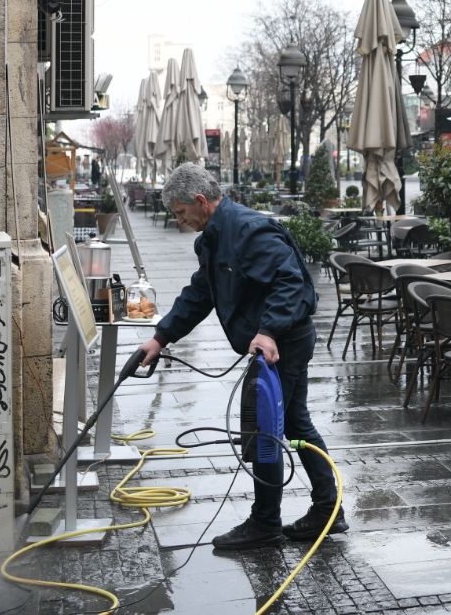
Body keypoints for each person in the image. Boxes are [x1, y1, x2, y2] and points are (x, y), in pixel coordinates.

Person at [135, 163, 343, 551]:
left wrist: (267, 331)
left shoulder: (247, 230)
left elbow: (290, 281)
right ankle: (329, 510)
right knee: (295, 425)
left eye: (181, 213)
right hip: (274, 343)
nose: (180, 221)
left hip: (284, 343)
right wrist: (161, 337)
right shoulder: (213, 238)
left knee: (264, 431)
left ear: (201, 202)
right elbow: (200, 293)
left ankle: (266, 523)